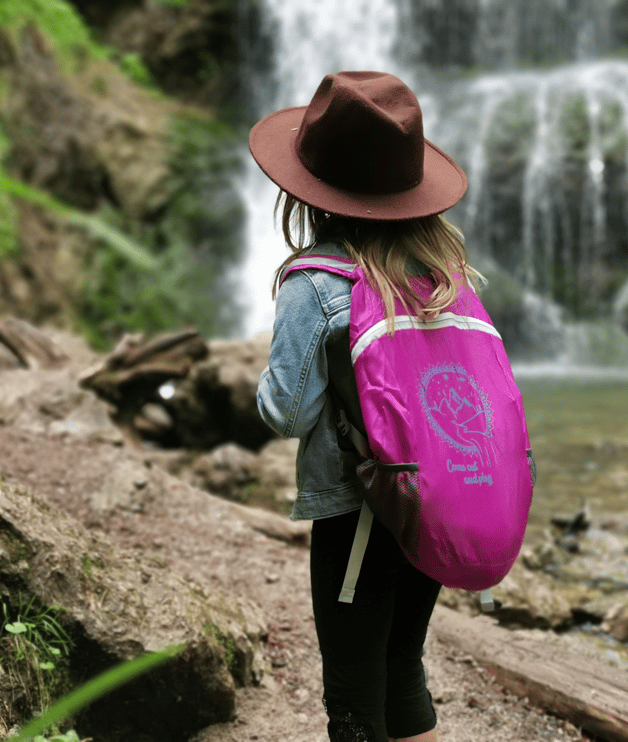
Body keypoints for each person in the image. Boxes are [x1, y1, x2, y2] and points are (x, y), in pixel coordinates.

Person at [250, 70, 475, 742]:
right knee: (402, 668)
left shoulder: (315, 282)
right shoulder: (439, 273)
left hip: (359, 512)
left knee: (352, 697)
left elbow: (286, 413)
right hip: (434, 502)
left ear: (311, 192)